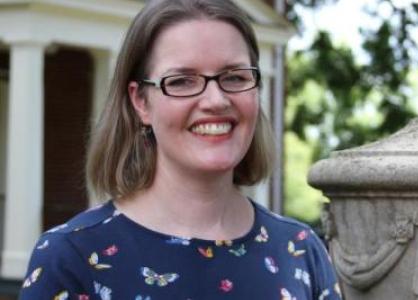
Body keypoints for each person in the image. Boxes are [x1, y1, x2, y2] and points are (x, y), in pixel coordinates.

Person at [19, 0, 342, 299]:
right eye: (182, 81)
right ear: (140, 102)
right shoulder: (71, 257)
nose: (216, 100)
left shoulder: (299, 250)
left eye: (234, 76)